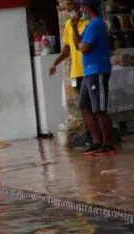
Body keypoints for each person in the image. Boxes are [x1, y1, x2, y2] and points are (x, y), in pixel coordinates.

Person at [74, 0, 114, 156]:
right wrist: (73, 27)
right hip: (88, 72)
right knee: (85, 107)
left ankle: (107, 143)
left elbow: (84, 48)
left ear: (86, 7)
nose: (79, 10)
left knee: (100, 109)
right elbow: (79, 45)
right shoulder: (89, 26)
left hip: (97, 70)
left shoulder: (96, 24)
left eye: (81, 7)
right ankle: (96, 141)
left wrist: (81, 45)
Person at [50, 1, 90, 147]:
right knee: (84, 106)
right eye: (66, 6)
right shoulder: (68, 24)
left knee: (92, 106)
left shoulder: (87, 23)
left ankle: (95, 136)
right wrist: (55, 62)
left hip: (89, 71)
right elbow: (67, 48)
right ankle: (88, 133)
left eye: (70, 5)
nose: (68, 9)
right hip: (76, 72)